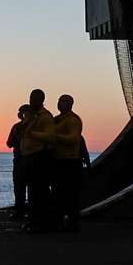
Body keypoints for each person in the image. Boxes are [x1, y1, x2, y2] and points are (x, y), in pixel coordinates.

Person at [20, 89, 56, 234]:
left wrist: (32, 133)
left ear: (41, 100)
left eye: (34, 99)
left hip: (39, 157)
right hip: (28, 156)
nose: (31, 101)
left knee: (40, 192)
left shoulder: (45, 117)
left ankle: (43, 222)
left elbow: (51, 136)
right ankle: (34, 220)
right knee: (32, 191)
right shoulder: (32, 116)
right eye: (30, 98)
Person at [52, 94, 84, 233]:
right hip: (58, 160)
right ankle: (58, 221)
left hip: (70, 161)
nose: (60, 103)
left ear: (71, 104)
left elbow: (74, 138)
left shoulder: (72, 120)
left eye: (64, 101)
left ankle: (72, 223)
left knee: (71, 194)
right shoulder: (56, 119)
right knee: (58, 194)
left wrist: (55, 137)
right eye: (59, 100)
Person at [6, 104, 31, 219]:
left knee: (31, 187)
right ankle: (19, 211)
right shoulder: (17, 127)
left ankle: (31, 212)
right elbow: (9, 143)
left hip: (30, 159)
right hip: (18, 160)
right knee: (18, 187)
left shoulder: (32, 126)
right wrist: (17, 136)